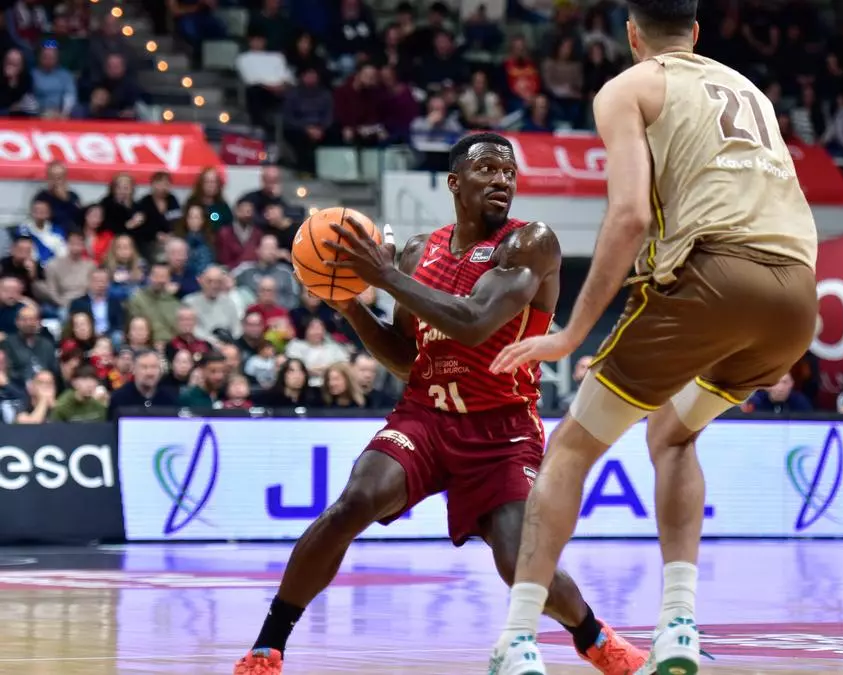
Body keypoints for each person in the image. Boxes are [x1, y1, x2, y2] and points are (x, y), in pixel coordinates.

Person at [485, 1, 820, 671]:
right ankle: (680, 625)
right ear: (696, 33)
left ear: (633, 35)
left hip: (715, 279)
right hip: (797, 298)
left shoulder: (630, 86)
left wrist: (572, 333)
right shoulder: (750, 89)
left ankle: (519, 639)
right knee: (672, 433)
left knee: (571, 449)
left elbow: (631, 214)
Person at [233, 133, 645, 675]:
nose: (502, 179)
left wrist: (385, 278)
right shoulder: (415, 253)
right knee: (352, 504)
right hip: (425, 417)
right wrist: (355, 310)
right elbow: (408, 358)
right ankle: (268, 646)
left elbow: (474, 324)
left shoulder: (531, 244)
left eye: (509, 172)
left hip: (503, 429)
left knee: (517, 557)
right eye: (487, 169)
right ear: (455, 182)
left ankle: (593, 636)